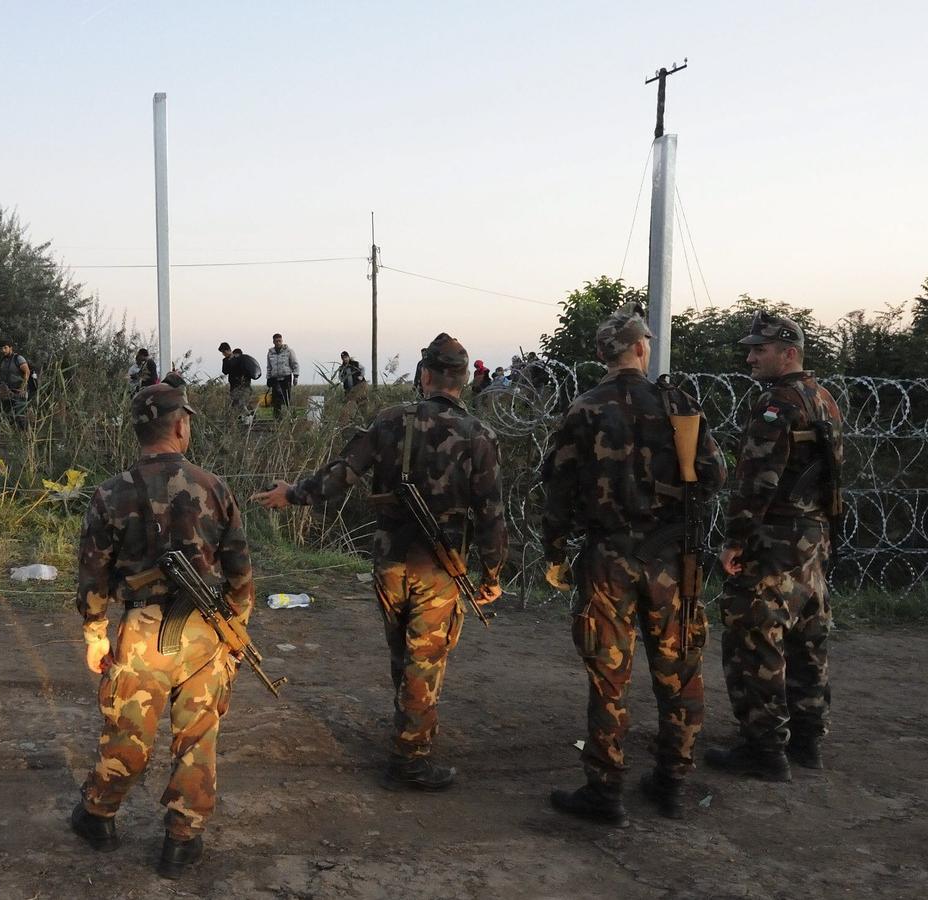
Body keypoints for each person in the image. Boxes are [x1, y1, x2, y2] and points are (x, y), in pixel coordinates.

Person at [252, 334, 505, 790]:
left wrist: (292, 494)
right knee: (425, 657)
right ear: (463, 381)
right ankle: (410, 757)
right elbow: (491, 512)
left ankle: (409, 725)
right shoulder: (479, 435)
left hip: (390, 561)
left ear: (424, 375)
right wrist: (492, 573)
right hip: (440, 567)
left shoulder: (391, 421)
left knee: (402, 650)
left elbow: (342, 473)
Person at [540, 306, 728, 826]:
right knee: (681, 672)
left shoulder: (585, 408)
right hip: (672, 560)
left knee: (608, 676)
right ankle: (673, 783)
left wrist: (554, 550)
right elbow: (713, 476)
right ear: (642, 348)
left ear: (604, 354)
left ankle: (605, 791)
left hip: (607, 559)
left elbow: (557, 489)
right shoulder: (678, 403)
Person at [69, 384, 253, 880]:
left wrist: (94, 633)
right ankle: (182, 841)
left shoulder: (110, 492)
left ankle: (98, 816)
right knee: (197, 738)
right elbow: (239, 571)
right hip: (205, 631)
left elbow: (93, 573)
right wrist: (235, 634)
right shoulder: (214, 487)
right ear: (180, 426)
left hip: (139, 633)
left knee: (129, 732)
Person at [706, 312, 844, 780]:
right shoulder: (825, 399)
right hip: (813, 536)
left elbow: (757, 479)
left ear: (788, 353)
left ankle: (764, 747)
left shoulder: (777, 403)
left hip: (774, 539)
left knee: (755, 638)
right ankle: (808, 738)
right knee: (808, 637)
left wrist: (736, 539)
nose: (749, 357)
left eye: (758, 350)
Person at [0, 339, 31, 426]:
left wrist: (23, 388)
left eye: (5, 348)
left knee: (21, 416)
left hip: (19, 390)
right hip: (7, 391)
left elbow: (27, 372)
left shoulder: (18, 358)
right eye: (1, 348)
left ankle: (25, 436)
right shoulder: (3, 361)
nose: (3, 350)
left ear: (10, 348)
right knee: (8, 416)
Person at [265, 333, 299, 419]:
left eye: (279, 341)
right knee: (276, 400)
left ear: (282, 341)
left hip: (286, 377)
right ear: (273, 341)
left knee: (287, 398)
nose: (278, 342)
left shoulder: (288, 351)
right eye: (276, 341)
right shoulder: (270, 353)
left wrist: (296, 376)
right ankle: (277, 418)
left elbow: (295, 363)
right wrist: (268, 378)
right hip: (275, 378)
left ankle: (291, 417)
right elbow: (269, 366)